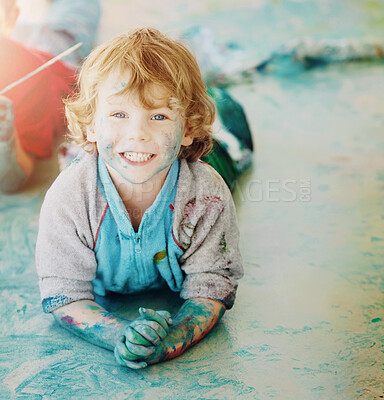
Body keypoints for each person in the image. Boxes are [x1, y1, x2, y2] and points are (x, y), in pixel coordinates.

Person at [35, 28, 244, 369]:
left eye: (159, 116)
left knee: (232, 144)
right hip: (96, 159)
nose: (138, 133)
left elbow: (213, 284)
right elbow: (64, 294)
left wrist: (172, 338)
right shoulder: (69, 196)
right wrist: (121, 334)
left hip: (212, 156)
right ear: (90, 125)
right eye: (119, 115)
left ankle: (222, 100)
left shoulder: (207, 192)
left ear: (188, 127)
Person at [0, 0, 100, 192]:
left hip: (60, 47)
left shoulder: (32, 79)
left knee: (80, 8)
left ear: (10, 18)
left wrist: (5, 141)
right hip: (21, 36)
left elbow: (16, 179)